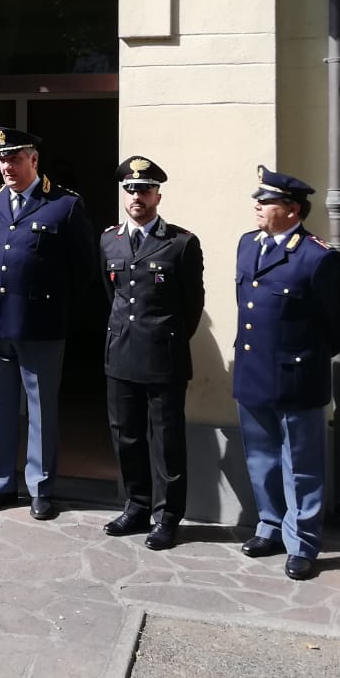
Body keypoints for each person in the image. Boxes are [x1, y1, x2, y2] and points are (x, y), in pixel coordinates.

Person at [233, 166, 340, 579]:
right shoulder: (248, 245)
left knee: (301, 465)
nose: (257, 205)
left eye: (265, 201)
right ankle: (269, 525)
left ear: (291, 210)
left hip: (296, 377)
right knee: (261, 460)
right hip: (253, 372)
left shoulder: (319, 257)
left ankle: (302, 541)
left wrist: (304, 358)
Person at [0, 127, 96, 521]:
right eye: (2, 158)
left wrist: (57, 308)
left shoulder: (64, 204)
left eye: (14, 158)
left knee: (42, 411)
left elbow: (85, 269)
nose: (7, 165)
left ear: (34, 160)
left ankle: (41, 489)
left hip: (40, 326)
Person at [99, 155, 204, 550]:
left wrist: (166, 337)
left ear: (158, 194)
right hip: (121, 353)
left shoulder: (180, 243)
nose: (137, 196)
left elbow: (193, 305)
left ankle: (167, 516)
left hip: (164, 357)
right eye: (130, 189)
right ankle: (137, 505)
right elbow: (112, 296)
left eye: (144, 189)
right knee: (126, 437)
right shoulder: (109, 239)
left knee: (166, 442)